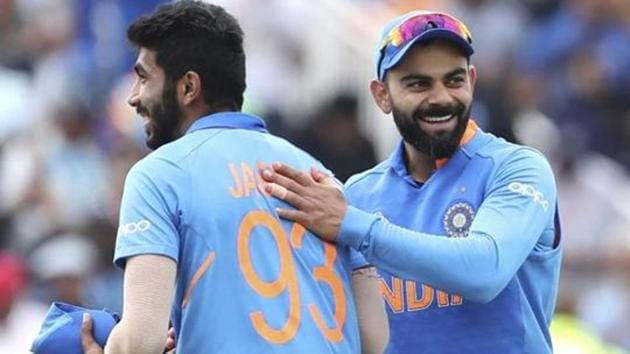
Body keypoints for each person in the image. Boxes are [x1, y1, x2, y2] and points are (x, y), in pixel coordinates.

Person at [78, 1, 388, 353]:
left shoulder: (158, 175)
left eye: (144, 77)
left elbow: (141, 340)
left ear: (188, 87)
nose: (134, 96)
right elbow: (374, 339)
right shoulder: (323, 178)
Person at [261, 10, 562, 354]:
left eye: (454, 80)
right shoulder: (357, 195)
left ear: (472, 82)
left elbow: (485, 270)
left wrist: (353, 225)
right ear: (381, 95)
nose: (440, 98)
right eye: (418, 83)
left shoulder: (517, 168)